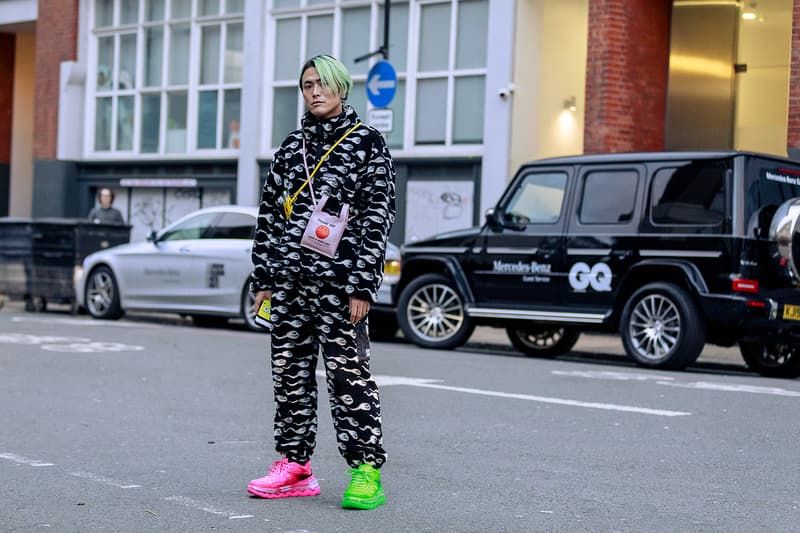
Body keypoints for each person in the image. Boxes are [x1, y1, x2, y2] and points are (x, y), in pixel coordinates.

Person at [248, 54, 396, 510]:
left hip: (339, 286)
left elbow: (377, 216)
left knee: (348, 377)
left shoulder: (367, 143)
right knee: (289, 377)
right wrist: (265, 277)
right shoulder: (292, 148)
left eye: (322, 83)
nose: (314, 91)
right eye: (307, 84)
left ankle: (366, 471)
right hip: (290, 284)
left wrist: (361, 284)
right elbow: (270, 216)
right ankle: (295, 466)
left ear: (341, 88)